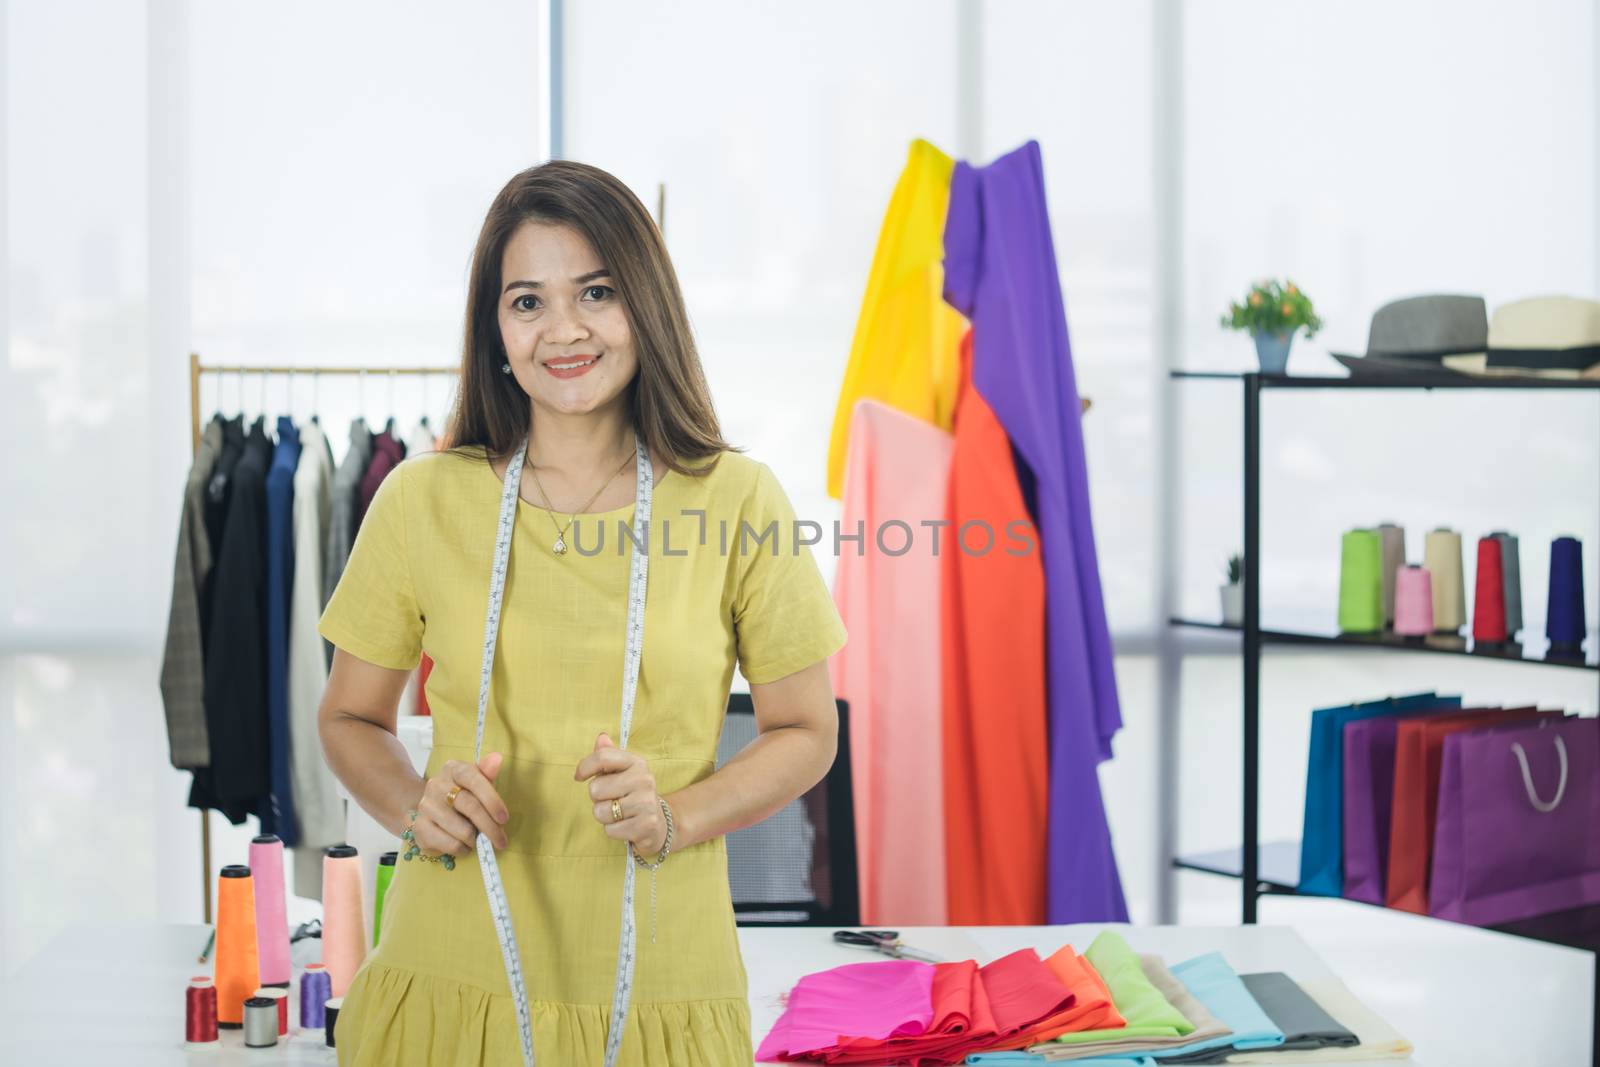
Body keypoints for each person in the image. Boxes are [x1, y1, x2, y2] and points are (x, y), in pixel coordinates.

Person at [317, 160, 847, 1065]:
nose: (563, 329)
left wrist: (677, 814)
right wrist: (415, 805)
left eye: (595, 291)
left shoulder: (739, 500)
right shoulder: (419, 500)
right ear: (495, 331)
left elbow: (806, 731)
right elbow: (349, 715)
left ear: (645, 304)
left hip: (665, 983)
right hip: (447, 975)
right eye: (527, 302)